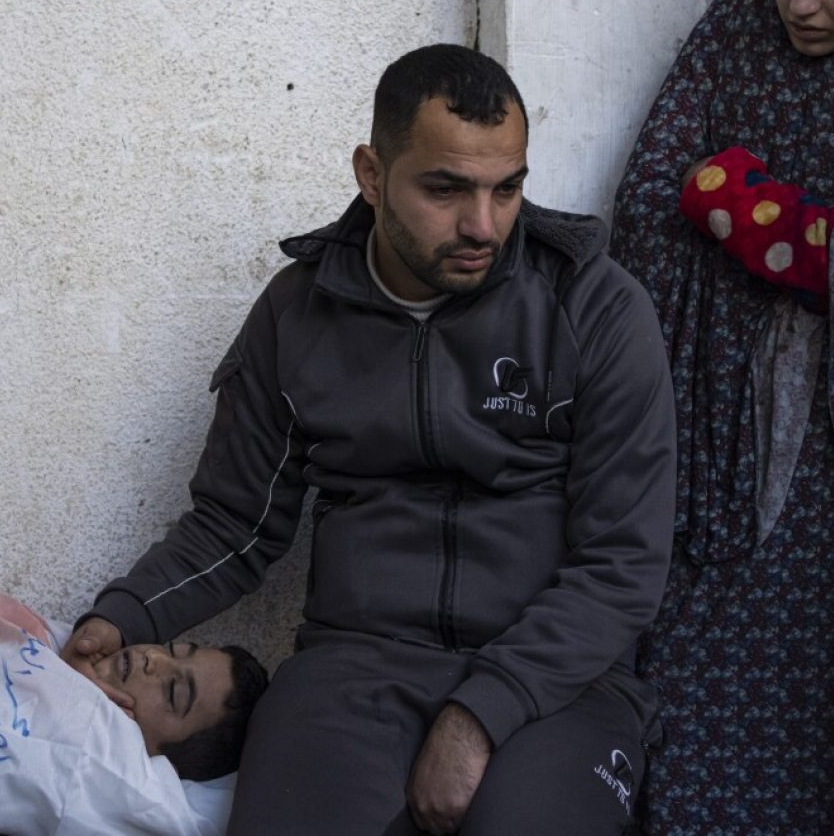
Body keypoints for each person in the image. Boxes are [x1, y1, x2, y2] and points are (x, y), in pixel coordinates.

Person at [64, 43, 677, 835]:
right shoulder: (298, 314)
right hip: (351, 673)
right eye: (446, 189)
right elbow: (234, 526)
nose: (482, 224)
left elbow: (623, 565)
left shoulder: (592, 306)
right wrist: (119, 618)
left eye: (507, 188)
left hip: (558, 683)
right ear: (373, 174)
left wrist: (481, 713)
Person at [610, 0, 834, 835]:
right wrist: (795, 232)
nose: (800, 2)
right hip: (711, 465)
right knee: (693, 713)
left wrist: (735, 202)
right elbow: (648, 207)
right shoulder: (729, 47)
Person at [0, 577, 267, 836]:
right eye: (173, 650)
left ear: (164, 760)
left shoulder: (113, 774)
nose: (154, 661)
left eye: (174, 692)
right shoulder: (54, 644)